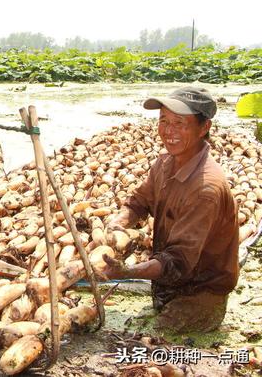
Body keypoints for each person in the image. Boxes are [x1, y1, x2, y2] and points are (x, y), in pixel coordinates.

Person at [99, 86, 239, 333]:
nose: (168, 131)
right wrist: (117, 224)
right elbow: (138, 202)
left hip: (198, 296)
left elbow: (178, 261)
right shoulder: (165, 163)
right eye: (164, 121)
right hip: (166, 287)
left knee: (143, 344)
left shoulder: (206, 189)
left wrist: (128, 270)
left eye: (179, 123)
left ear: (204, 127)